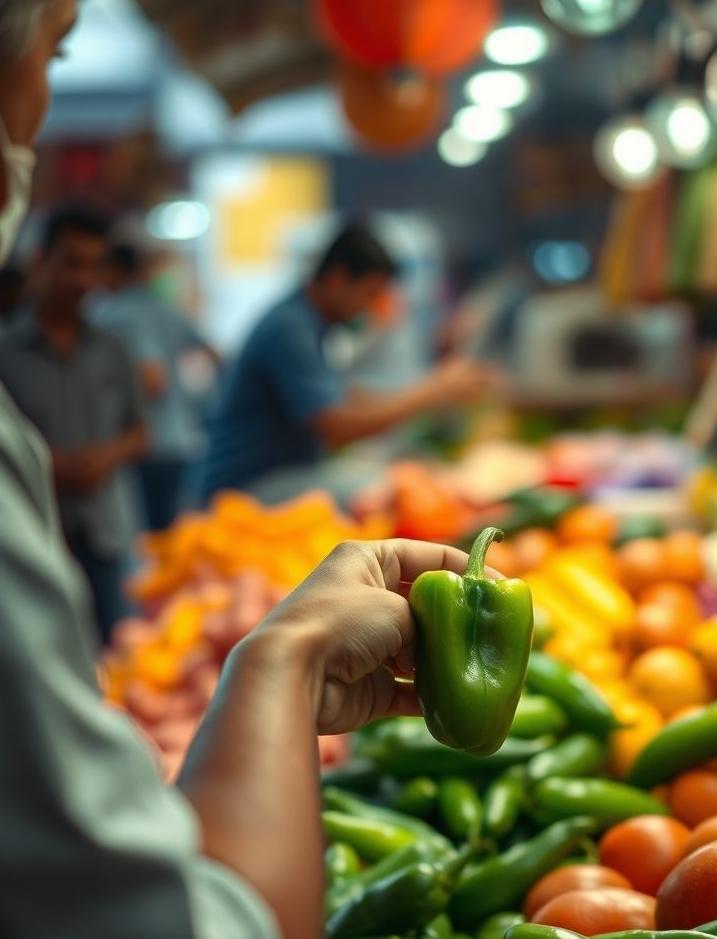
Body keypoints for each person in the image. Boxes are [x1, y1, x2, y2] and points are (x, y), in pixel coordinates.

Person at [0, 3, 482, 938]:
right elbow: (186, 920)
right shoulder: (290, 326)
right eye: (50, 55)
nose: (38, 111)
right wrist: (285, 657)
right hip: (228, 505)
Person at [196, 223, 494, 503]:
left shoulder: (308, 324)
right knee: (378, 491)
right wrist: (433, 390)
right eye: (370, 293)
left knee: (395, 477)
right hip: (245, 488)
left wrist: (432, 388)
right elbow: (336, 427)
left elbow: (351, 401)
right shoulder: (290, 329)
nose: (372, 306)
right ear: (339, 279)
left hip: (276, 476)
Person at [0, 204, 149, 638]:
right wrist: (46, 464)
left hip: (106, 532)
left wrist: (107, 456)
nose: (84, 280)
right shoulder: (7, 353)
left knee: (116, 651)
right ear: (40, 262)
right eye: (71, 264)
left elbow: (140, 432)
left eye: (93, 267)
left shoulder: (112, 350)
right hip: (31, 536)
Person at [95, 240, 217, 530]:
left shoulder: (119, 312)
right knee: (173, 536)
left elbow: (153, 379)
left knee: (150, 543)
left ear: (113, 271)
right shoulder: (166, 308)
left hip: (148, 445)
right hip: (183, 438)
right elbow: (214, 354)